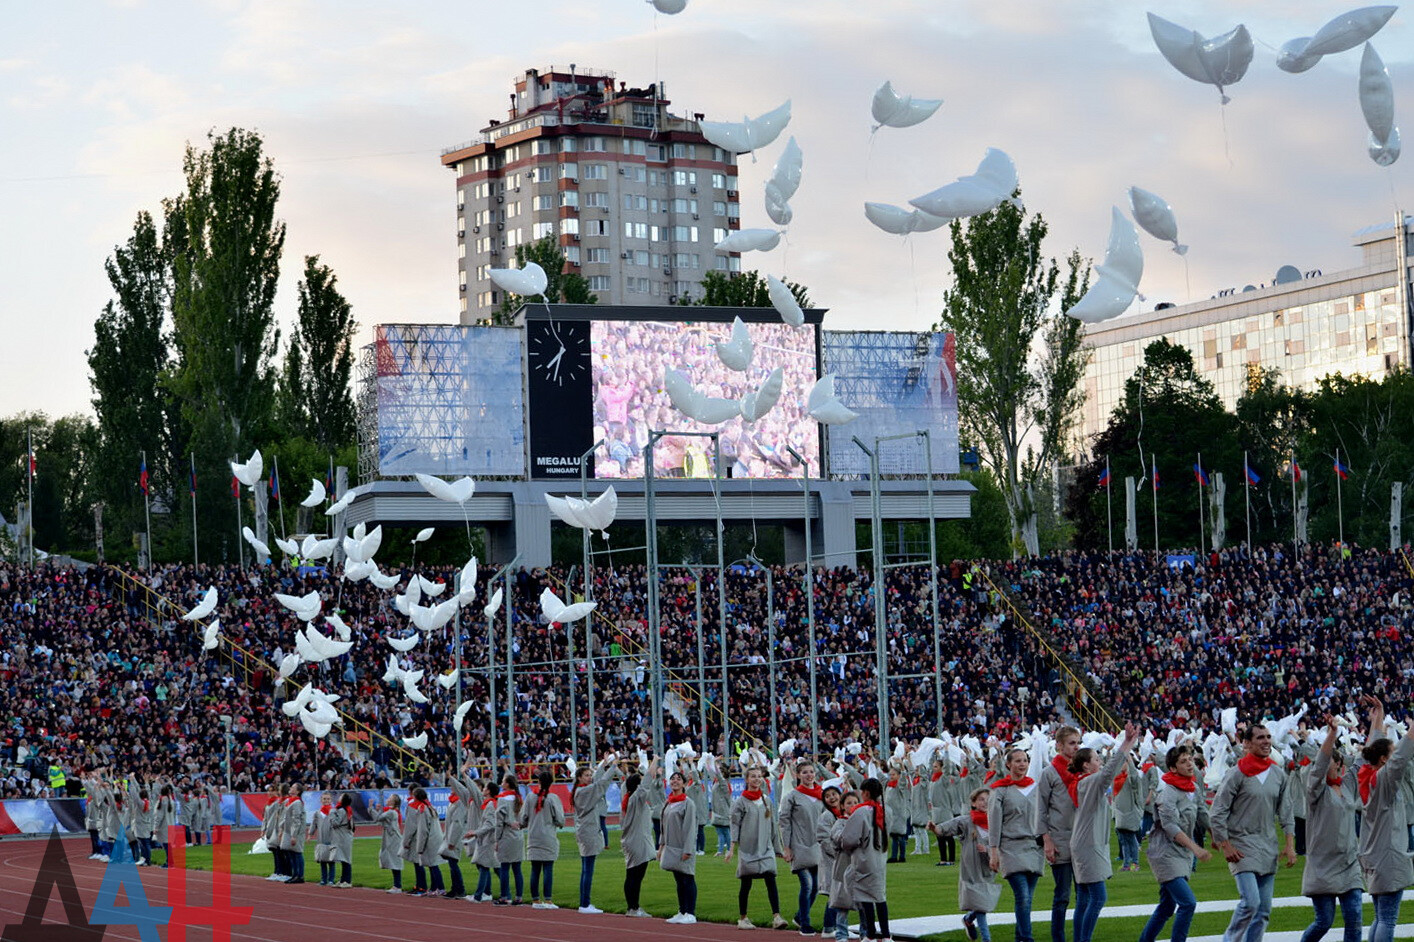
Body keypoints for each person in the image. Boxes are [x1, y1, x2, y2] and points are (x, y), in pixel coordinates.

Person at [1210, 724, 1297, 942]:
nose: (1266, 741)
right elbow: (1217, 812)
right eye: (1260, 737)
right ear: (1246, 743)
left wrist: (1290, 844)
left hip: (1268, 846)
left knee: (1264, 910)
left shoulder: (1278, 774)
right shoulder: (1236, 774)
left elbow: (1286, 812)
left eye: (1268, 737)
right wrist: (1225, 844)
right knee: (1251, 902)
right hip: (1241, 845)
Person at [1069, 723, 1140, 942]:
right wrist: (1126, 743)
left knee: (1084, 899)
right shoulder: (1089, 782)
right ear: (1086, 766)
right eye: (1096, 759)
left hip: (1087, 843)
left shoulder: (1085, 782)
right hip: (1088, 846)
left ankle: (1080, 939)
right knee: (1098, 898)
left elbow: (1109, 771)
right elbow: (1110, 771)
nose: (1100, 761)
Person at [1356, 695, 1414, 942]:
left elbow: (1373, 745)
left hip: (1373, 852)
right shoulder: (1384, 781)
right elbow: (1400, 757)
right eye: (1389, 752)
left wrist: (1378, 715)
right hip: (1388, 853)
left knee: (1380, 916)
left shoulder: (1366, 772)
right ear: (1383, 760)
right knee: (1388, 918)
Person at [1299, 715, 1360, 942]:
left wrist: (1377, 719)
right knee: (1324, 921)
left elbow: (1365, 759)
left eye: (1329, 762)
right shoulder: (1316, 791)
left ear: (1340, 764)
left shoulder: (1348, 786)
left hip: (1349, 862)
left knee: (1354, 916)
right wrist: (1331, 735)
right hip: (1322, 864)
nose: (1322, 766)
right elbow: (1319, 766)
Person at [934, 787, 1002, 942]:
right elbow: (947, 827)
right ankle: (987, 939)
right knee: (981, 907)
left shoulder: (997, 821)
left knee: (983, 904)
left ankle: (968, 919)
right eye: (981, 799)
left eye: (987, 799)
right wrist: (936, 829)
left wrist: (988, 851)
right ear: (973, 803)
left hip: (988, 869)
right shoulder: (967, 821)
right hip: (971, 870)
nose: (985, 802)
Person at [988, 748, 1042, 942]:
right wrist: (993, 851)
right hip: (1011, 848)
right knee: (1023, 897)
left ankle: (1020, 937)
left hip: (1034, 848)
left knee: (1028, 899)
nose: (1022, 764)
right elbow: (994, 822)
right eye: (1018, 761)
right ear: (1008, 764)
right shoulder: (1000, 790)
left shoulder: (1035, 788)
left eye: (1025, 760)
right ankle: (1027, 938)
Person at [729, 764, 788, 930]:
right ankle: (743, 918)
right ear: (747, 780)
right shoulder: (740, 802)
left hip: (766, 848)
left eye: (759, 776)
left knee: (771, 880)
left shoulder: (766, 800)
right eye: (753, 776)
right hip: (748, 849)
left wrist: (778, 849)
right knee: (746, 884)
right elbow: (734, 825)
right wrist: (732, 847)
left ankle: (776, 916)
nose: (757, 779)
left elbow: (772, 825)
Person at [1037, 725, 1081, 942]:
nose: (1076, 747)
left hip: (1083, 840)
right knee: (1062, 896)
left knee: (1085, 895)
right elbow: (1040, 810)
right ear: (1059, 745)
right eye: (1072, 743)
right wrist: (1046, 840)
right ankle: (1058, 938)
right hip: (1060, 840)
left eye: (1078, 743)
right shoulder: (1049, 772)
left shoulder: (1083, 771)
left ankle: (1081, 936)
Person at [839, 777, 890, 941]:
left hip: (863, 858)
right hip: (880, 857)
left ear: (866, 793)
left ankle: (870, 934)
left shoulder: (860, 811)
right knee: (879, 895)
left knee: (866, 896)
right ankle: (885, 934)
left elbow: (849, 839)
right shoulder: (887, 811)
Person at [779, 758, 824, 935]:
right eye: (804, 772)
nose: (809, 775)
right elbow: (784, 822)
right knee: (807, 885)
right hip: (799, 845)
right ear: (798, 775)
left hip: (817, 846)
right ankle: (805, 923)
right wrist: (787, 847)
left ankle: (799, 916)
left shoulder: (821, 795)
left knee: (816, 887)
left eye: (811, 771)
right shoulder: (792, 797)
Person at [571, 754, 615, 913]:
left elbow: (597, 781)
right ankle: (585, 903)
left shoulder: (580, 789)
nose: (590, 777)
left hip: (585, 831)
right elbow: (601, 784)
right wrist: (613, 767)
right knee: (588, 869)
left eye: (590, 775)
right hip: (588, 832)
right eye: (586, 775)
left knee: (586, 868)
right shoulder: (584, 791)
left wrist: (604, 763)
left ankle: (584, 902)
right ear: (579, 778)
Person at [620, 757, 658, 918]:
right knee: (636, 876)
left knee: (632, 875)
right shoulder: (636, 798)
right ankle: (634, 907)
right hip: (638, 842)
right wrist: (655, 760)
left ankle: (632, 907)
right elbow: (648, 780)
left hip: (632, 841)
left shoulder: (629, 799)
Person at [659, 769, 698, 925]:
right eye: (672, 779)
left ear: (684, 783)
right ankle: (682, 911)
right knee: (678, 880)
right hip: (671, 847)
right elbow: (663, 826)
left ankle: (691, 912)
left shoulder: (688, 803)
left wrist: (688, 850)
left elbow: (690, 828)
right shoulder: (668, 803)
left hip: (683, 847)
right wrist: (661, 846)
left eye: (678, 779)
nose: (675, 781)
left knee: (688, 878)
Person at [523, 770, 565, 910]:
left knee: (535, 869)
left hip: (534, 836)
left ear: (538, 781)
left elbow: (523, 817)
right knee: (548, 868)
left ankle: (535, 900)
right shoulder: (553, 798)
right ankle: (548, 900)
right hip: (548, 836)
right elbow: (560, 819)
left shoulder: (530, 797)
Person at [441, 768, 478, 899]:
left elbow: (457, 823)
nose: (451, 788)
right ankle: (455, 888)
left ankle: (459, 889)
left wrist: (451, 841)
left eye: (453, 786)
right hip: (451, 835)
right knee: (451, 863)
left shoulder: (460, 803)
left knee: (453, 862)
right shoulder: (454, 802)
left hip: (455, 837)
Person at [493, 774, 525, 905]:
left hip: (506, 836)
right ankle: (519, 897)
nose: (501, 783)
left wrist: (497, 839)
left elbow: (499, 822)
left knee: (504, 867)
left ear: (507, 784)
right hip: (518, 835)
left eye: (503, 781)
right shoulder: (519, 799)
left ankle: (504, 896)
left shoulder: (503, 800)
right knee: (517, 869)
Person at [1113, 753, 1143, 872]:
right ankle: (1126, 864)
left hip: (1129, 812)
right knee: (1123, 841)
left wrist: (1130, 761)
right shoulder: (1117, 778)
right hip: (1119, 813)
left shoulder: (1131, 779)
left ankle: (1135, 863)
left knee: (1131, 839)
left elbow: (1135, 777)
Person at [471, 785, 499, 901]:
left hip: (488, 839)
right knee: (491, 867)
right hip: (488, 839)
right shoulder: (490, 803)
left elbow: (490, 824)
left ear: (488, 791)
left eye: (484, 789)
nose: (482, 790)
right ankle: (485, 893)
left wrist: (476, 832)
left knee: (484, 866)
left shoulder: (491, 805)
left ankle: (479, 895)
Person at [929, 757, 957, 867]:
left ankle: (951, 859)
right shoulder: (933, 779)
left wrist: (945, 752)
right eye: (933, 766)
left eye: (936, 766)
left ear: (941, 768)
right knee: (939, 836)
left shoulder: (944, 779)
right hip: (936, 811)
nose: (934, 768)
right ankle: (943, 859)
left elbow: (947, 769)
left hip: (945, 810)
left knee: (948, 836)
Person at [373, 794, 404, 894]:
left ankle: (397, 885)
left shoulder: (391, 812)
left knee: (395, 861)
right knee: (392, 860)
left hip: (394, 839)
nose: (388, 799)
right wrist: (376, 811)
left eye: (390, 798)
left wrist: (371, 808)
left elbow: (378, 818)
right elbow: (380, 821)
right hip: (391, 838)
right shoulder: (391, 812)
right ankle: (396, 885)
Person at [280, 784, 306, 885]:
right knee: (291, 853)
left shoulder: (297, 803)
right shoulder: (289, 801)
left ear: (298, 791)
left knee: (297, 853)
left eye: (293, 788)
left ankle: (300, 875)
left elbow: (297, 820)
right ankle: (295, 874)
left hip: (295, 831)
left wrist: (294, 835)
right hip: (288, 830)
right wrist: (282, 829)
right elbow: (285, 817)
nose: (290, 789)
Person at [883, 765, 908, 863]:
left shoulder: (899, 786)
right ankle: (894, 856)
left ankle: (902, 856)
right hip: (891, 814)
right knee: (893, 836)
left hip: (899, 814)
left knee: (900, 836)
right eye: (890, 774)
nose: (891, 776)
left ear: (898, 775)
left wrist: (902, 768)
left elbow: (903, 781)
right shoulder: (889, 785)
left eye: (893, 774)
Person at [329, 793, 355, 888]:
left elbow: (335, 823)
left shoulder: (341, 810)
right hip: (345, 836)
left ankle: (347, 880)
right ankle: (343, 879)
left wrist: (331, 813)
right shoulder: (347, 810)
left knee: (346, 859)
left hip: (342, 837)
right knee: (345, 858)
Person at [710, 755, 733, 855]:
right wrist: (709, 762)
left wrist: (715, 762)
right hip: (717, 809)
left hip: (723, 810)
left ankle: (728, 849)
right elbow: (711, 771)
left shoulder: (723, 783)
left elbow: (717, 774)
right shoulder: (716, 782)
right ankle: (720, 850)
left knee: (726, 831)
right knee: (719, 831)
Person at [311, 792, 335, 886]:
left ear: (331, 800)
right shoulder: (318, 813)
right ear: (321, 800)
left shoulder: (333, 812)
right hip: (321, 839)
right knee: (322, 860)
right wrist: (310, 834)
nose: (326, 801)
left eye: (328, 799)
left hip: (331, 838)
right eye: (324, 799)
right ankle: (323, 879)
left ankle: (331, 880)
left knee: (331, 860)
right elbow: (314, 824)